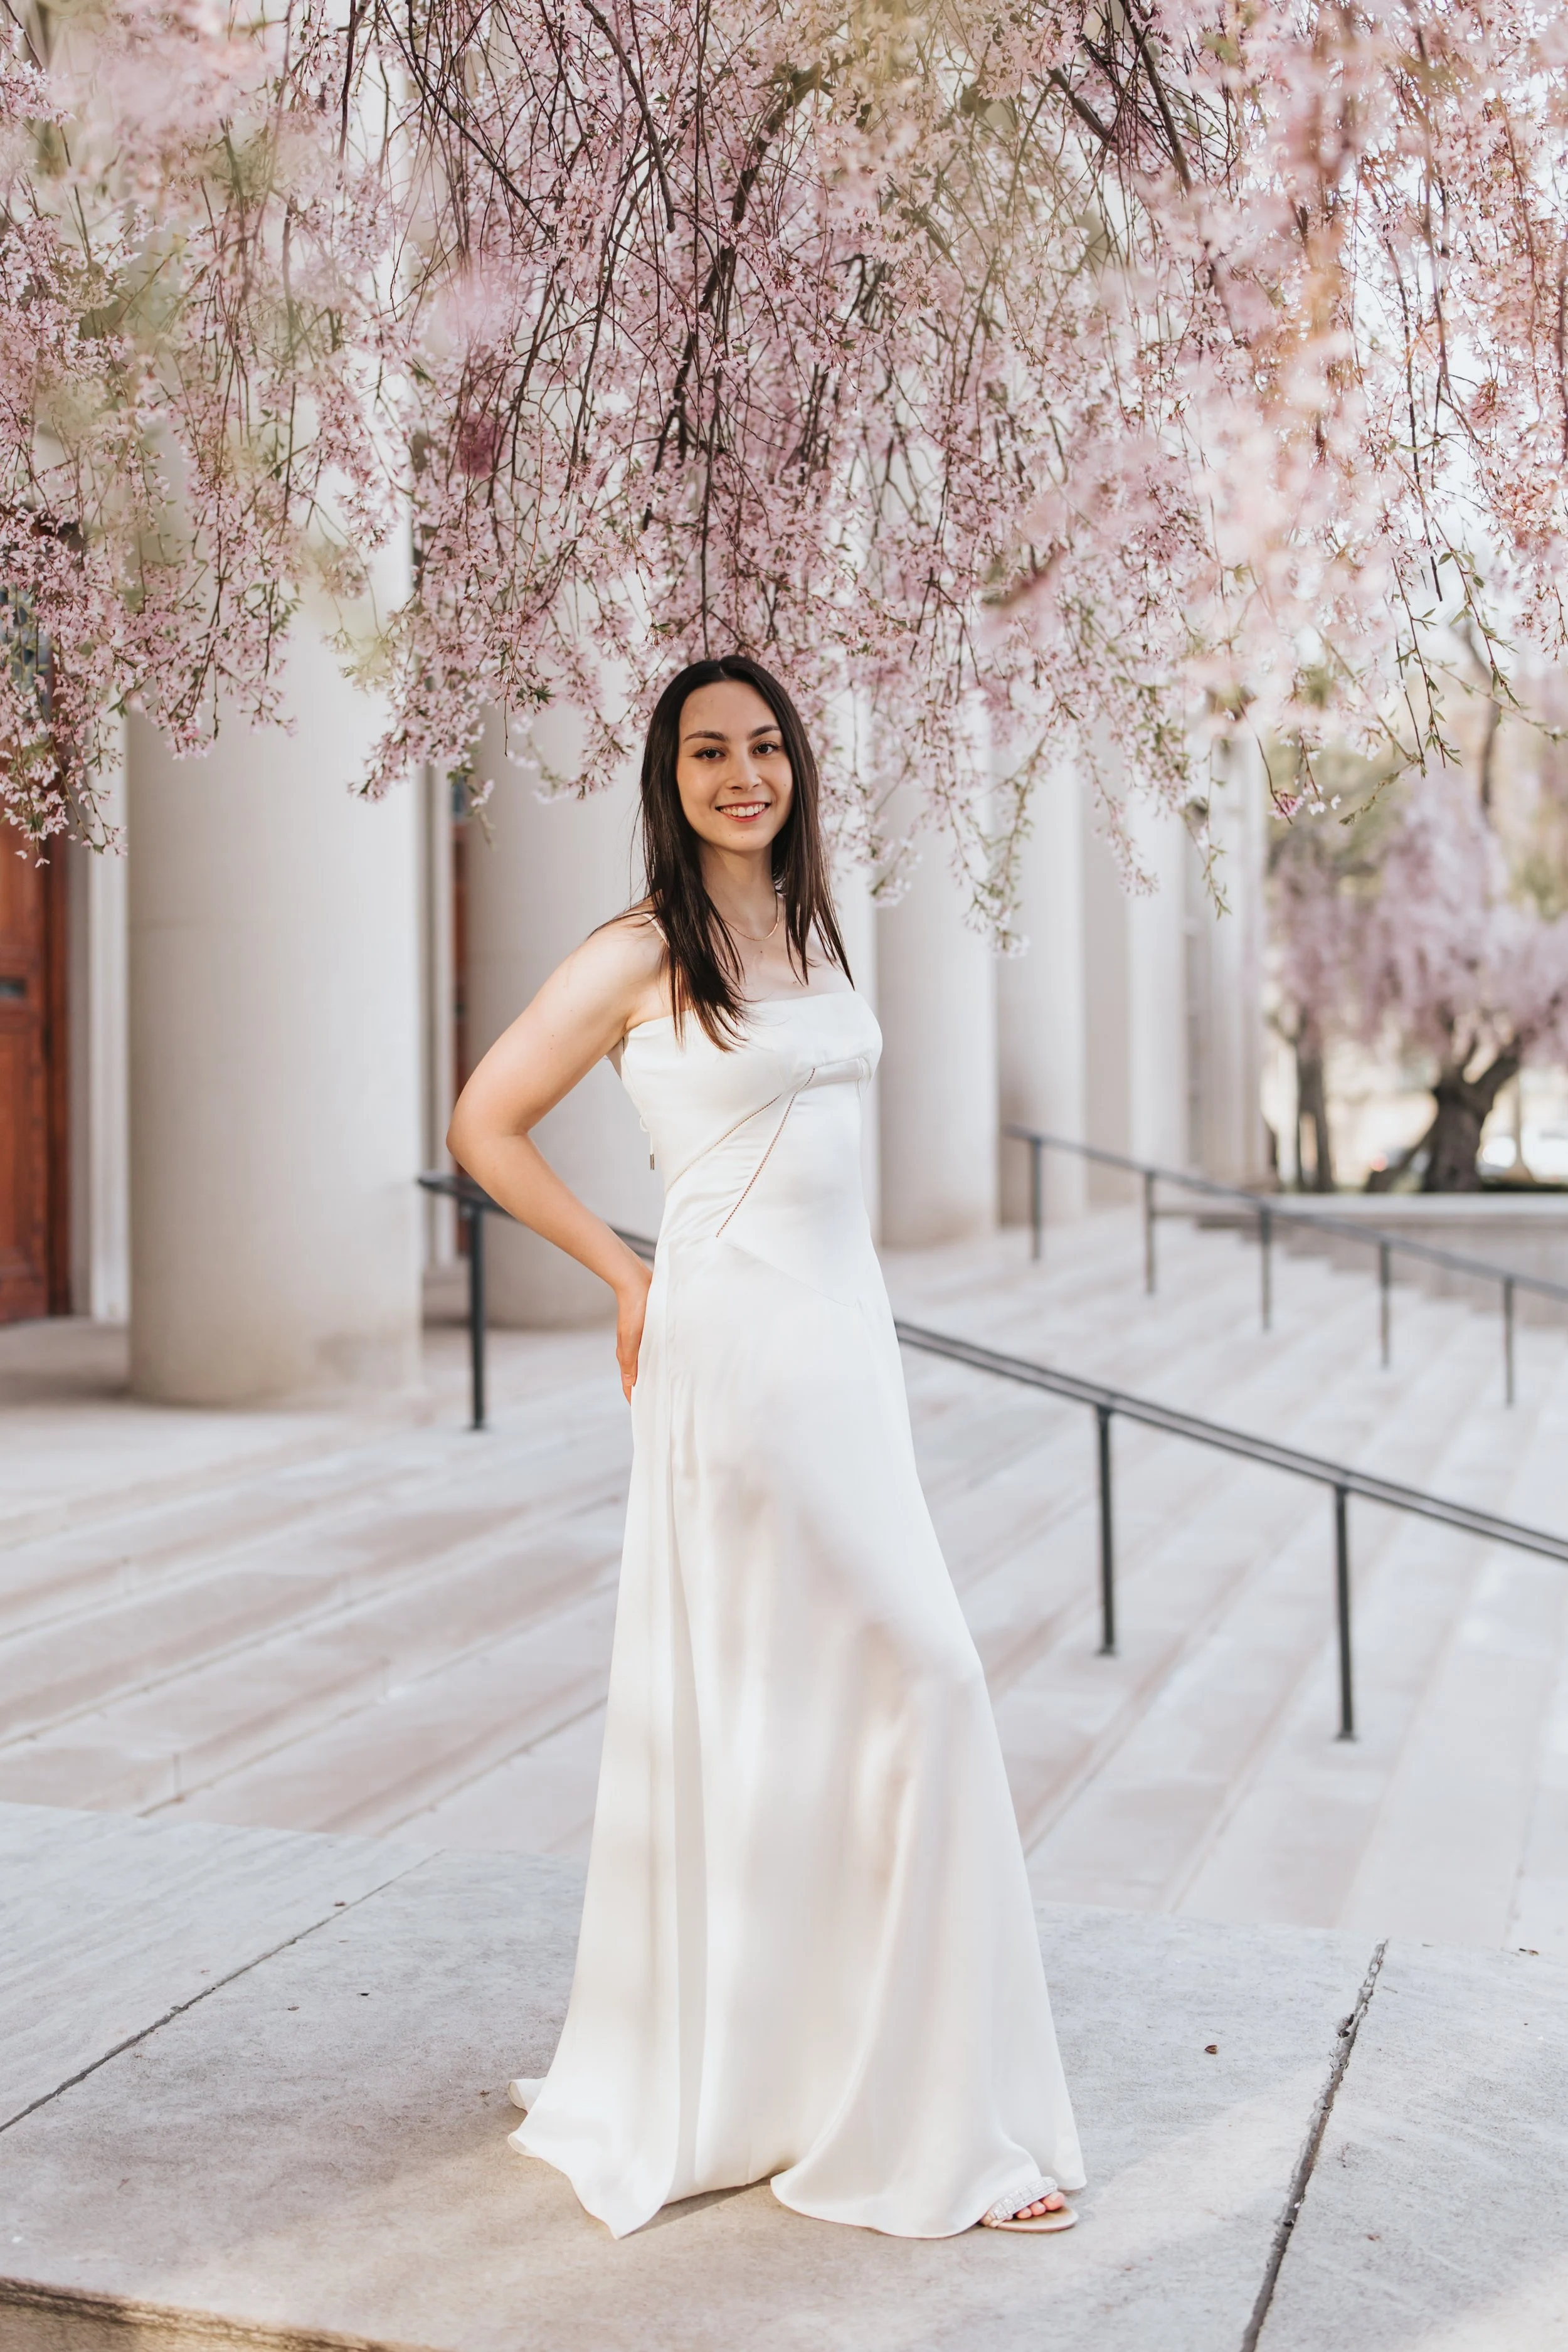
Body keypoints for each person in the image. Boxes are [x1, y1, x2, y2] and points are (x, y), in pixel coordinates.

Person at [447, 654, 1084, 2239]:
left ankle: (821, 2075)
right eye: (708, 752)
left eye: (764, 747)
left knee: (826, 1703)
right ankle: (930, 2133)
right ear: (666, 780)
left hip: (842, 1355)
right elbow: (480, 1121)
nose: (743, 774)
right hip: (729, 1355)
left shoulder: (807, 923)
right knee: (926, 1674)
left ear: (796, 764)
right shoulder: (637, 950)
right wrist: (622, 1271)